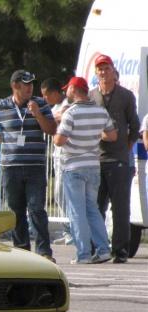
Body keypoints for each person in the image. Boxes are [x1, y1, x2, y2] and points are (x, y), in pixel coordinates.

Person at [0, 70, 57, 262]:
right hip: (10, 167)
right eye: (25, 84)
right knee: (16, 210)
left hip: (35, 165)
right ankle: (22, 251)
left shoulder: (40, 103)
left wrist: (37, 113)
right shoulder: (1, 106)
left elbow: (51, 130)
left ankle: (44, 251)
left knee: (36, 208)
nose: (30, 87)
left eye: (31, 84)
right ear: (15, 86)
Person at [53, 76, 118, 264]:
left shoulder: (70, 113)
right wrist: (93, 137)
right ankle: (104, 249)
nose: (66, 92)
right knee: (93, 209)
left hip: (73, 166)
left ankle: (83, 254)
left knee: (77, 211)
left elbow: (59, 140)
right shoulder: (100, 111)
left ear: (74, 90)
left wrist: (60, 130)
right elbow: (112, 135)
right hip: (93, 164)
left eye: (68, 89)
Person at [88, 54, 140, 263]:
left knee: (120, 208)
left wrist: (125, 149)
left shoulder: (126, 96)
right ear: (96, 73)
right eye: (100, 69)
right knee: (96, 207)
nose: (103, 72)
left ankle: (120, 251)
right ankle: (98, 248)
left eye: (106, 68)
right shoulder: (91, 96)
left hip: (119, 161)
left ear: (113, 70)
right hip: (96, 159)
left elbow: (135, 127)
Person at [41, 77, 73, 245]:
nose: (45, 99)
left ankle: (71, 231)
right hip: (57, 156)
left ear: (54, 92)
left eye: (46, 95)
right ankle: (67, 230)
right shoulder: (53, 108)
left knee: (63, 193)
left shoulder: (67, 103)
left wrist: (46, 118)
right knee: (59, 194)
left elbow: (61, 116)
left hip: (67, 156)